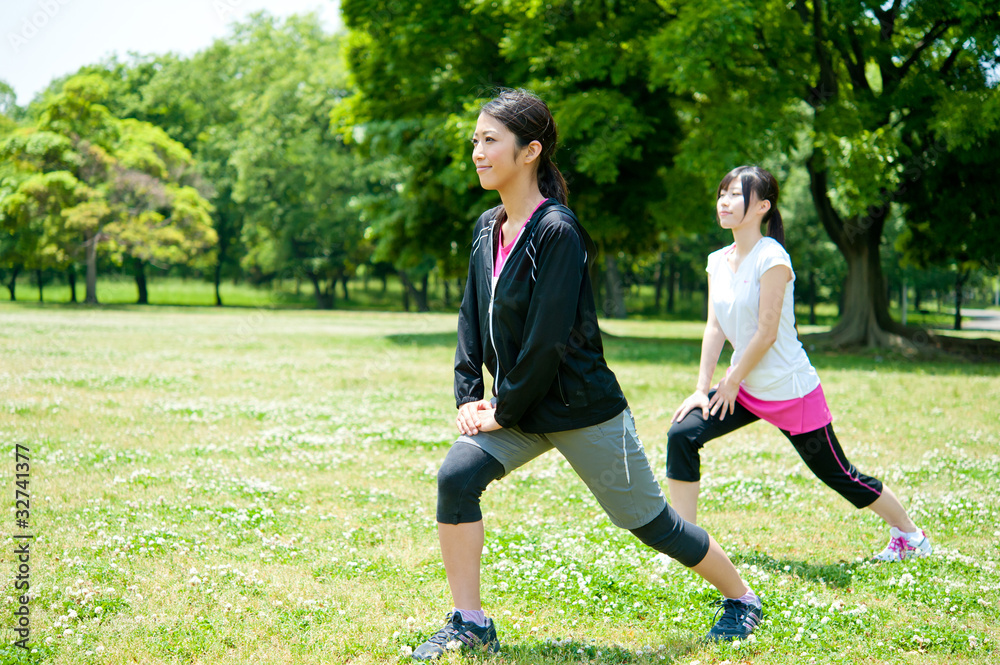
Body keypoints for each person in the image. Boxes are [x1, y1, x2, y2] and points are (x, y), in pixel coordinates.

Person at [410, 90, 762, 661]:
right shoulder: (485, 228)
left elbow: (549, 339)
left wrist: (501, 408)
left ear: (530, 152)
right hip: (518, 410)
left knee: (653, 524)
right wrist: (471, 395)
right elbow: (470, 317)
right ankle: (470, 621)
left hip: (580, 408)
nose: (477, 151)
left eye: (489, 140)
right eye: (475, 140)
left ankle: (743, 600)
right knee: (457, 476)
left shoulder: (557, 231)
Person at [666, 164, 932, 566]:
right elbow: (715, 324)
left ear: (762, 207)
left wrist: (731, 380)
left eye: (736, 194)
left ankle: (910, 534)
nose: (724, 200)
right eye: (722, 193)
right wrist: (703, 388)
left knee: (838, 474)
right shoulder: (717, 260)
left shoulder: (772, 257)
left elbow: (767, 332)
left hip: (789, 389)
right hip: (744, 388)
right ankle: (684, 544)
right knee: (683, 434)